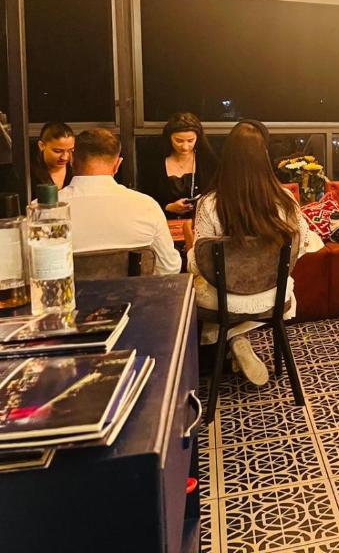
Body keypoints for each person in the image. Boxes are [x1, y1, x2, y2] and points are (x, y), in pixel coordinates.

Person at [188, 122, 321, 386]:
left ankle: (233, 336)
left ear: (227, 157)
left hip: (223, 300)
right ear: (264, 157)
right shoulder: (285, 200)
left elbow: (198, 264)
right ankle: (238, 338)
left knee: (199, 286)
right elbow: (302, 245)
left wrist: (191, 250)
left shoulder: (210, 203)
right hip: (272, 294)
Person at [57, 129, 180, 276]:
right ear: (118, 164)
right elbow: (169, 267)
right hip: (135, 298)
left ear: (71, 159)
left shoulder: (43, 211)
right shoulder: (146, 206)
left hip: (69, 298)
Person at [152, 112, 219, 220]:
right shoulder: (155, 163)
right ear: (169, 138)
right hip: (164, 221)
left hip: (202, 222)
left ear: (198, 139)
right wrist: (168, 207)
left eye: (190, 140)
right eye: (178, 141)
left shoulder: (208, 162)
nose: (185, 147)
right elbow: (146, 198)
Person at [30, 122, 75, 189]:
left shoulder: (78, 168)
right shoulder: (28, 173)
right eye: (58, 151)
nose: (65, 157)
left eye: (70, 150)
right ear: (41, 145)